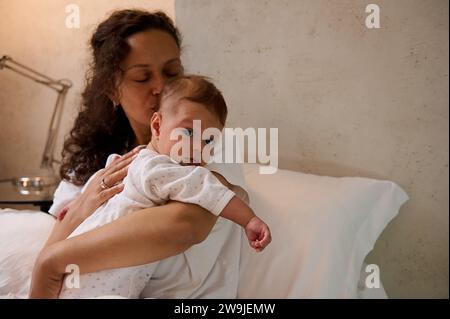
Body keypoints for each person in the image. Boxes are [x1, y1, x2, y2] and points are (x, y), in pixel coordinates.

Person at [30, 9, 270, 298]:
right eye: (142, 77)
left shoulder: (205, 149)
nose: (161, 87)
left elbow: (183, 226)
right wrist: (82, 207)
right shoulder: (94, 165)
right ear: (111, 89)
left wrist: (55, 261)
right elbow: (47, 260)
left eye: (172, 72)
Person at [57, 75, 271, 298]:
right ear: (157, 125)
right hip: (96, 281)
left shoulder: (140, 161)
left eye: (208, 140)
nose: (198, 146)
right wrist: (249, 220)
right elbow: (206, 189)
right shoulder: (158, 167)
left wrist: (74, 206)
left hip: (84, 277)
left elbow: (106, 182)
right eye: (188, 132)